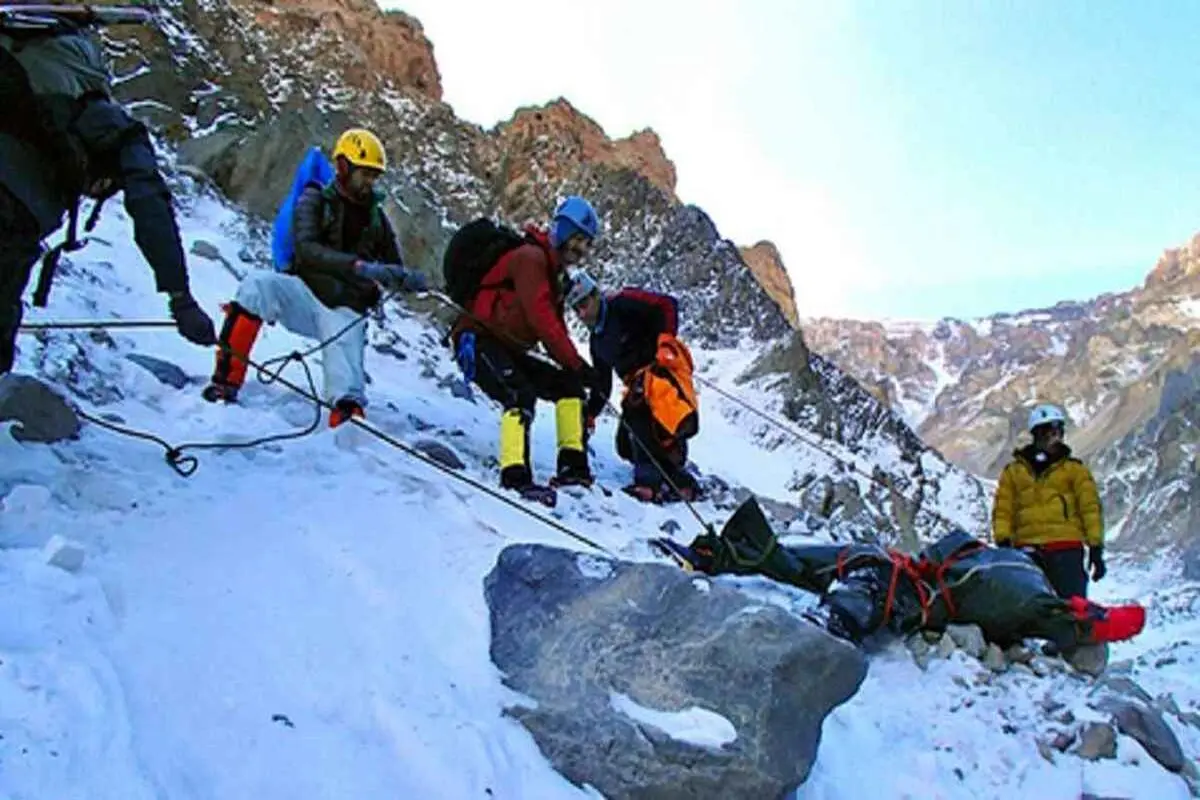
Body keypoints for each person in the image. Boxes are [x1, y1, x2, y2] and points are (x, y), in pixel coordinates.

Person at [1, 9, 216, 374]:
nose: (95, 190)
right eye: (102, 187)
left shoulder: (27, 74)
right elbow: (150, 205)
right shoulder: (112, 125)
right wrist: (180, 298)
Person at [201, 128, 427, 427]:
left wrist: (405, 278)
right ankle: (225, 381)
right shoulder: (314, 200)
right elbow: (307, 249)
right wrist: (359, 267)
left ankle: (345, 418)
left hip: (345, 308)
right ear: (343, 167)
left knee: (346, 384)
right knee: (257, 286)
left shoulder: (377, 218)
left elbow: (392, 265)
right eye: (365, 174)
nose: (370, 182)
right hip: (304, 293)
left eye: (374, 175)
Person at [450, 196, 603, 503]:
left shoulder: (554, 275)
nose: (580, 249)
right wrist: (577, 364)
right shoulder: (531, 259)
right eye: (576, 239)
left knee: (569, 387)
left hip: (509, 347)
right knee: (519, 394)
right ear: (560, 231)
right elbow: (542, 319)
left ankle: (574, 468)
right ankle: (515, 476)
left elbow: (555, 328)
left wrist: (577, 372)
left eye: (585, 243)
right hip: (478, 340)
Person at [567, 271, 700, 503]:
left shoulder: (623, 303)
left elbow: (666, 305)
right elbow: (603, 383)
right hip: (635, 383)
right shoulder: (597, 342)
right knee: (624, 446)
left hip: (659, 371)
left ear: (596, 295)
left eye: (584, 304)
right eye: (576, 309)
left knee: (637, 416)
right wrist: (591, 414)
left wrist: (665, 343)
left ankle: (648, 484)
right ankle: (673, 465)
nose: (582, 313)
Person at [992, 403, 1106, 599]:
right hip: (1026, 549)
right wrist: (1003, 541)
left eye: (1057, 431)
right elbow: (1003, 508)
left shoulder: (1075, 470)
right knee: (1028, 608)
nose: (1053, 437)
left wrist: (1096, 547)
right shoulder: (1014, 472)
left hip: (1066, 548)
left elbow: (1090, 508)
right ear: (1036, 434)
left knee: (1071, 608)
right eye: (1047, 432)